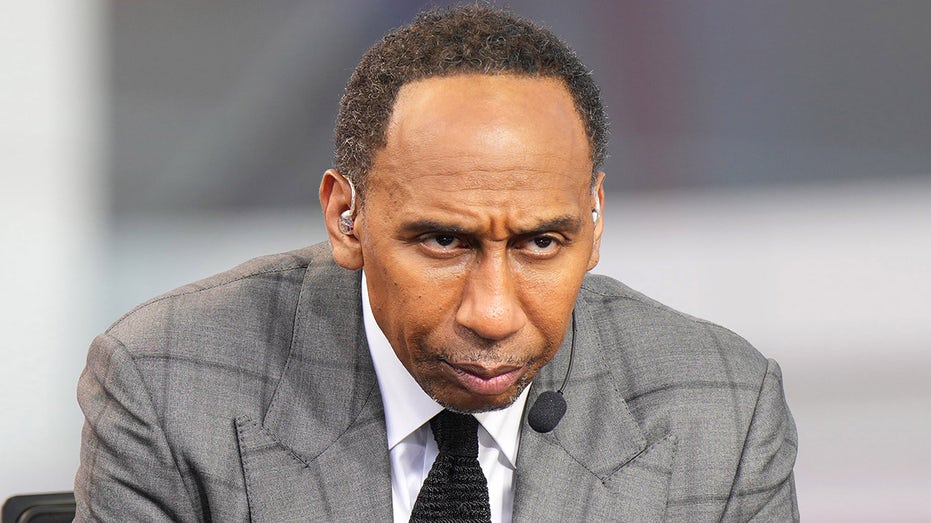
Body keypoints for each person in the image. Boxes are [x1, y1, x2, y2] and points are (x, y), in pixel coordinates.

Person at [74, 5, 798, 522]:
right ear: (346, 217)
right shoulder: (168, 382)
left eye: (541, 243)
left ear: (595, 217)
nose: (493, 314)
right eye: (444, 243)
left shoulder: (723, 408)